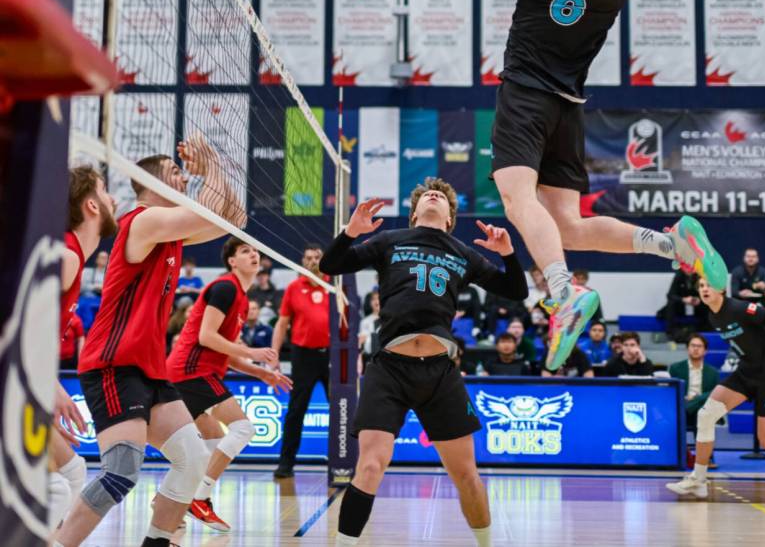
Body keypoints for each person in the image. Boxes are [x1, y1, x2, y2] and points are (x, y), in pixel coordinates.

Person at [346, 0, 726, 373]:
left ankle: (564, 293)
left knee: (517, 198)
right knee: (567, 226)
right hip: (569, 108)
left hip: (525, 98)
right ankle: (670, 244)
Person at [317, 178, 528, 547]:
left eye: (442, 196)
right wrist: (351, 232)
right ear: (414, 213)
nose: (434, 195)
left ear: (449, 218)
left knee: (467, 476)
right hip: (389, 369)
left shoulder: (463, 253)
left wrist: (508, 254)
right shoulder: (389, 240)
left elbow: (516, 291)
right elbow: (330, 264)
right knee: (370, 465)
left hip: (440, 373)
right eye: (427, 195)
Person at [57, 137, 246, 547]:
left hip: (148, 369)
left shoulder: (170, 233)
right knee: (121, 471)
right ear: (153, 181)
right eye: (176, 172)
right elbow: (208, 210)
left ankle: (158, 542)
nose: (184, 177)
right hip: (113, 364)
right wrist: (210, 163)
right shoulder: (141, 221)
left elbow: (234, 218)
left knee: (193, 459)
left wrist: (212, 168)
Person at [166, 238, 291, 532]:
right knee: (243, 428)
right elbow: (207, 337)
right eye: (245, 251)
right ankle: (199, 499)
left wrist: (261, 373)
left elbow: (228, 353)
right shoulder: (225, 288)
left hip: (193, 373)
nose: (254, 254)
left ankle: (169, 501)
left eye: (255, 250)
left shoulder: (242, 300)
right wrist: (252, 352)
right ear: (232, 261)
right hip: (191, 371)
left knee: (209, 445)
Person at [666, 278, 765, 502]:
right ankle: (698, 480)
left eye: (708, 285)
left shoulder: (741, 308)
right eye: (701, 286)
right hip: (746, 373)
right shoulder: (713, 316)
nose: (704, 289)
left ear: (721, 289)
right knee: (706, 415)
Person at [50, 166, 119, 532]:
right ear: (92, 205)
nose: (113, 199)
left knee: (71, 472)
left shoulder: (70, 256)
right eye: (105, 191)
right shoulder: (65, 256)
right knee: (57, 486)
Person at [269, 244, 331, 479]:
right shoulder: (294, 288)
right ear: (302, 262)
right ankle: (286, 464)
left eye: (317, 257)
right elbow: (282, 324)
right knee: (296, 410)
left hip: (332, 356)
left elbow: (348, 323)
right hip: (303, 356)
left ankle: (342, 462)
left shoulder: (335, 286)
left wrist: (353, 356)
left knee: (341, 410)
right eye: (308, 258)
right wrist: (274, 354)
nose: (313, 261)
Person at [669, 334, 720, 427]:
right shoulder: (675, 368)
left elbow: (715, 394)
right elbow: (671, 390)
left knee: (703, 409)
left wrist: (696, 399)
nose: (696, 349)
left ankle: (690, 406)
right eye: (693, 345)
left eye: (699, 346)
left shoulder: (713, 372)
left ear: (705, 351)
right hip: (682, 404)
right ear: (687, 348)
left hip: (702, 408)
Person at [660, 268, 705, 339]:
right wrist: (683, 299)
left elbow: (707, 293)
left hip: (697, 304)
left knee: (708, 304)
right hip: (681, 305)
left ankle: (706, 330)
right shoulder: (679, 275)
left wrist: (700, 300)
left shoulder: (700, 276)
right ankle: (670, 332)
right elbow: (670, 295)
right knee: (671, 303)